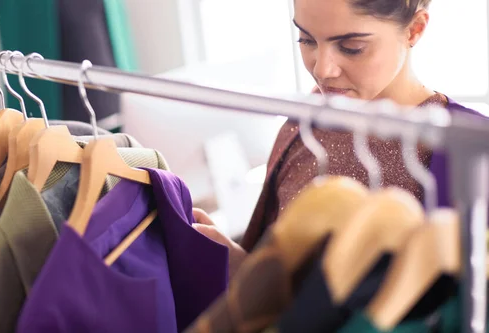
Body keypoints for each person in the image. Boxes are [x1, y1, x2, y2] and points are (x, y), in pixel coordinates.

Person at [191, 0, 483, 278]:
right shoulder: (305, 121)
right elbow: (278, 280)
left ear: (414, 29)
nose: (322, 70)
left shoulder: (466, 148)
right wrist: (237, 264)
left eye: (351, 47)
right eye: (306, 40)